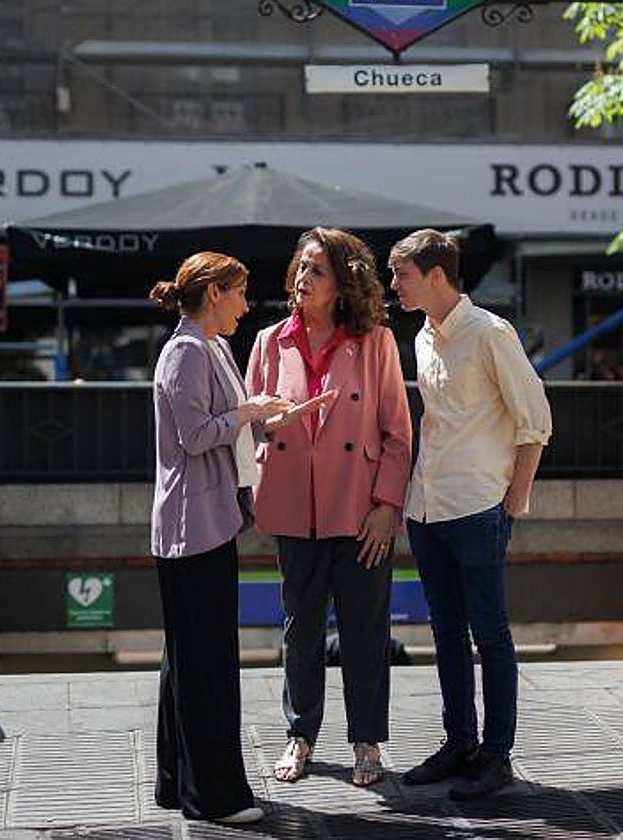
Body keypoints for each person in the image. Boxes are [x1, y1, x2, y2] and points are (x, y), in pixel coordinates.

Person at [388, 229, 552, 800]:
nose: (393, 286)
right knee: (446, 634)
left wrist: (514, 501)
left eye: (401, 275)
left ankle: (496, 755)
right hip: (427, 509)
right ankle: (459, 742)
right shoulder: (422, 337)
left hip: (479, 506)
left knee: (490, 634)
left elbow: (535, 417)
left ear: (436, 276)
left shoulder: (489, 333)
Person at [246, 227, 412, 788]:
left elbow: (397, 434)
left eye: (316, 269)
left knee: (366, 630)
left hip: (361, 508)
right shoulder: (270, 341)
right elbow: (248, 424)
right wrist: (270, 423)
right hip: (294, 506)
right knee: (300, 627)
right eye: (300, 266)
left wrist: (388, 504)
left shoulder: (376, 343)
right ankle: (301, 735)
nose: (302, 277)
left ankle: (367, 742)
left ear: (342, 284)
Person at [149, 252, 293, 825]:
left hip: (206, 519)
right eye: (239, 292)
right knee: (205, 663)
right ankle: (214, 796)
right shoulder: (184, 350)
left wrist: (272, 415)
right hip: (192, 526)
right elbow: (194, 435)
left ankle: (176, 782)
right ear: (213, 292)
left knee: (187, 659)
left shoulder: (214, 347)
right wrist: (250, 411)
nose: (245, 303)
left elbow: (231, 420)